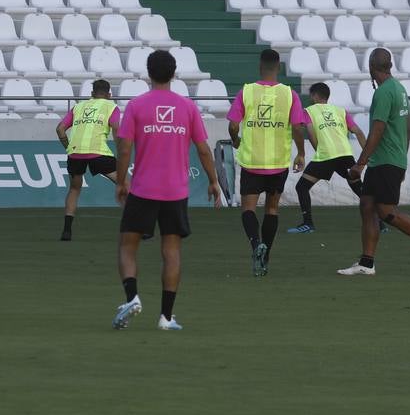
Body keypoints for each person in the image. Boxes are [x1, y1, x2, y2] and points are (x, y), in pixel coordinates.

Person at [112, 50, 222, 331]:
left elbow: (124, 148)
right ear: (174, 74)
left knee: (127, 246)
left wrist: (121, 180)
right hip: (175, 192)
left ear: (149, 74)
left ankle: (132, 296)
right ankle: (166, 317)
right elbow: (203, 150)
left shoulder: (136, 106)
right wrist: (213, 181)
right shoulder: (187, 107)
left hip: (143, 189)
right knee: (171, 251)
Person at [337, 48, 410, 277]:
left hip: (385, 161)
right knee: (367, 206)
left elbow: (377, 130)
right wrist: (403, 158)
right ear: (390, 65)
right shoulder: (400, 89)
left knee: (386, 212)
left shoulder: (383, 93)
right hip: (390, 160)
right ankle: (367, 263)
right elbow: (408, 127)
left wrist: (360, 164)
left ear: (371, 66)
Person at [226, 49, 309, 277]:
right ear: (279, 67)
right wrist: (301, 153)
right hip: (278, 163)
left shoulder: (247, 91)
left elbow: (233, 125)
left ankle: (256, 245)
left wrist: (235, 140)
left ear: (259, 67)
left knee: (248, 209)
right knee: (272, 209)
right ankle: (266, 256)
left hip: (252, 161)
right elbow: (297, 127)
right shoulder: (290, 94)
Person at [288, 82, 367, 234]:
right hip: (345, 154)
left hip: (326, 155)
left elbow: (311, 133)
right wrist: (366, 155)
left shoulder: (309, 111)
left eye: (311, 96)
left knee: (302, 187)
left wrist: (318, 150)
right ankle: (379, 222)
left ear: (315, 95)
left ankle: (308, 224)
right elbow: (358, 131)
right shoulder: (341, 111)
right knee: (358, 188)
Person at [55, 79, 121, 241]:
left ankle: (67, 231)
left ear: (92, 94)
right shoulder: (111, 107)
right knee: (126, 185)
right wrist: (122, 153)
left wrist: (69, 148)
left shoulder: (78, 107)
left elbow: (60, 129)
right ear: (109, 95)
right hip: (99, 153)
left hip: (75, 154)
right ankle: (139, 228)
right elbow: (117, 130)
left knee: (74, 190)